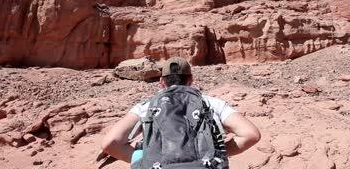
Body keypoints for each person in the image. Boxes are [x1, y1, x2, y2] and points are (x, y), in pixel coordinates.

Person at [101, 57, 261, 165]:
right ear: (190, 79)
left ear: (162, 81)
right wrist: (215, 152)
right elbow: (251, 134)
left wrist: (145, 159)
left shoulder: (145, 107)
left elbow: (110, 143)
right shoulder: (212, 103)